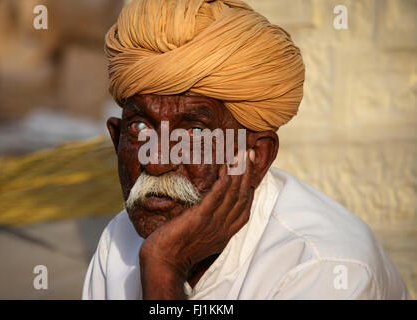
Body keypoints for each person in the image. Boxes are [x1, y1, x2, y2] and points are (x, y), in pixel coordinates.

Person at [82, 0, 409, 299]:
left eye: (195, 132)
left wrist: (163, 268)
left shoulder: (324, 266)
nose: (155, 161)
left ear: (256, 158)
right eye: (140, 127)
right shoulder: (119, 242)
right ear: (116, 139)